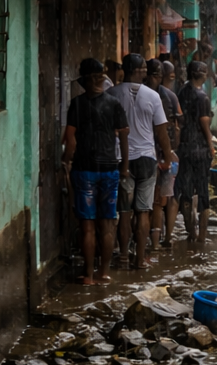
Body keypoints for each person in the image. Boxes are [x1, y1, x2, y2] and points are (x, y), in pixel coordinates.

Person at [61, 58, 129, 285]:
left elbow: (70, 139)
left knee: (87, 226)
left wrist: (66, 161)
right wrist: (125, 165)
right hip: (109, 170)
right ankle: (104, 272)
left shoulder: (77, 105)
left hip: (84, 170)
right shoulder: (114, 104)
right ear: (101, 79)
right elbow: (124, 136)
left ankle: (88, 275)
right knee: (107, 224)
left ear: (85, 81)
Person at [111, 54, 171, 271]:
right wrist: (167, 154)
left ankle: (124, 256)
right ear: (136, 70)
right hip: (146, 158)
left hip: (121, 159)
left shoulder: (112, 94)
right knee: (143, 211)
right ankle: (140, 258)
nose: (147, 71)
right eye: (144, 67)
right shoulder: (153, 96)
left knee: (124, 212)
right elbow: (161, 131)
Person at [176, 59, 216, 249]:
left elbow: (180, 119)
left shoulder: (182, 93)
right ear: (200, 75)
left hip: (184, 147)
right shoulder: (203, 97)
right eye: (206, 72)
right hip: (199, 149)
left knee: (186, 190)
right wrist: (211, 145)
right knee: (202, 191)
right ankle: (201, 236)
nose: (207, 75)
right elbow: (204, 124)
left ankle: (190, 232)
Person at [147, 59, 182, 250]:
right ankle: (164, 238)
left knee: (149, 202)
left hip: (148, 154)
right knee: (165, 200)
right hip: (164, 154)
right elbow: (174, 127)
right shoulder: (169, 97)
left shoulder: (138, 95)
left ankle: (148, 242)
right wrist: (170, 153)